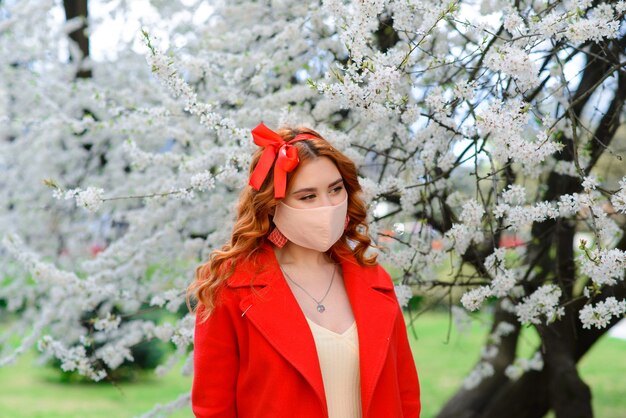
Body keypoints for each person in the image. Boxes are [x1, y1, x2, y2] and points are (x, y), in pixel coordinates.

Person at [187, 122, 421, 418]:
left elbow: (406, 398)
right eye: (308, 196)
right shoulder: (230, 290)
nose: (328, 206)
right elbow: (213, 409)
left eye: (335, 190)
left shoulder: (375, 280)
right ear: (272, 205)